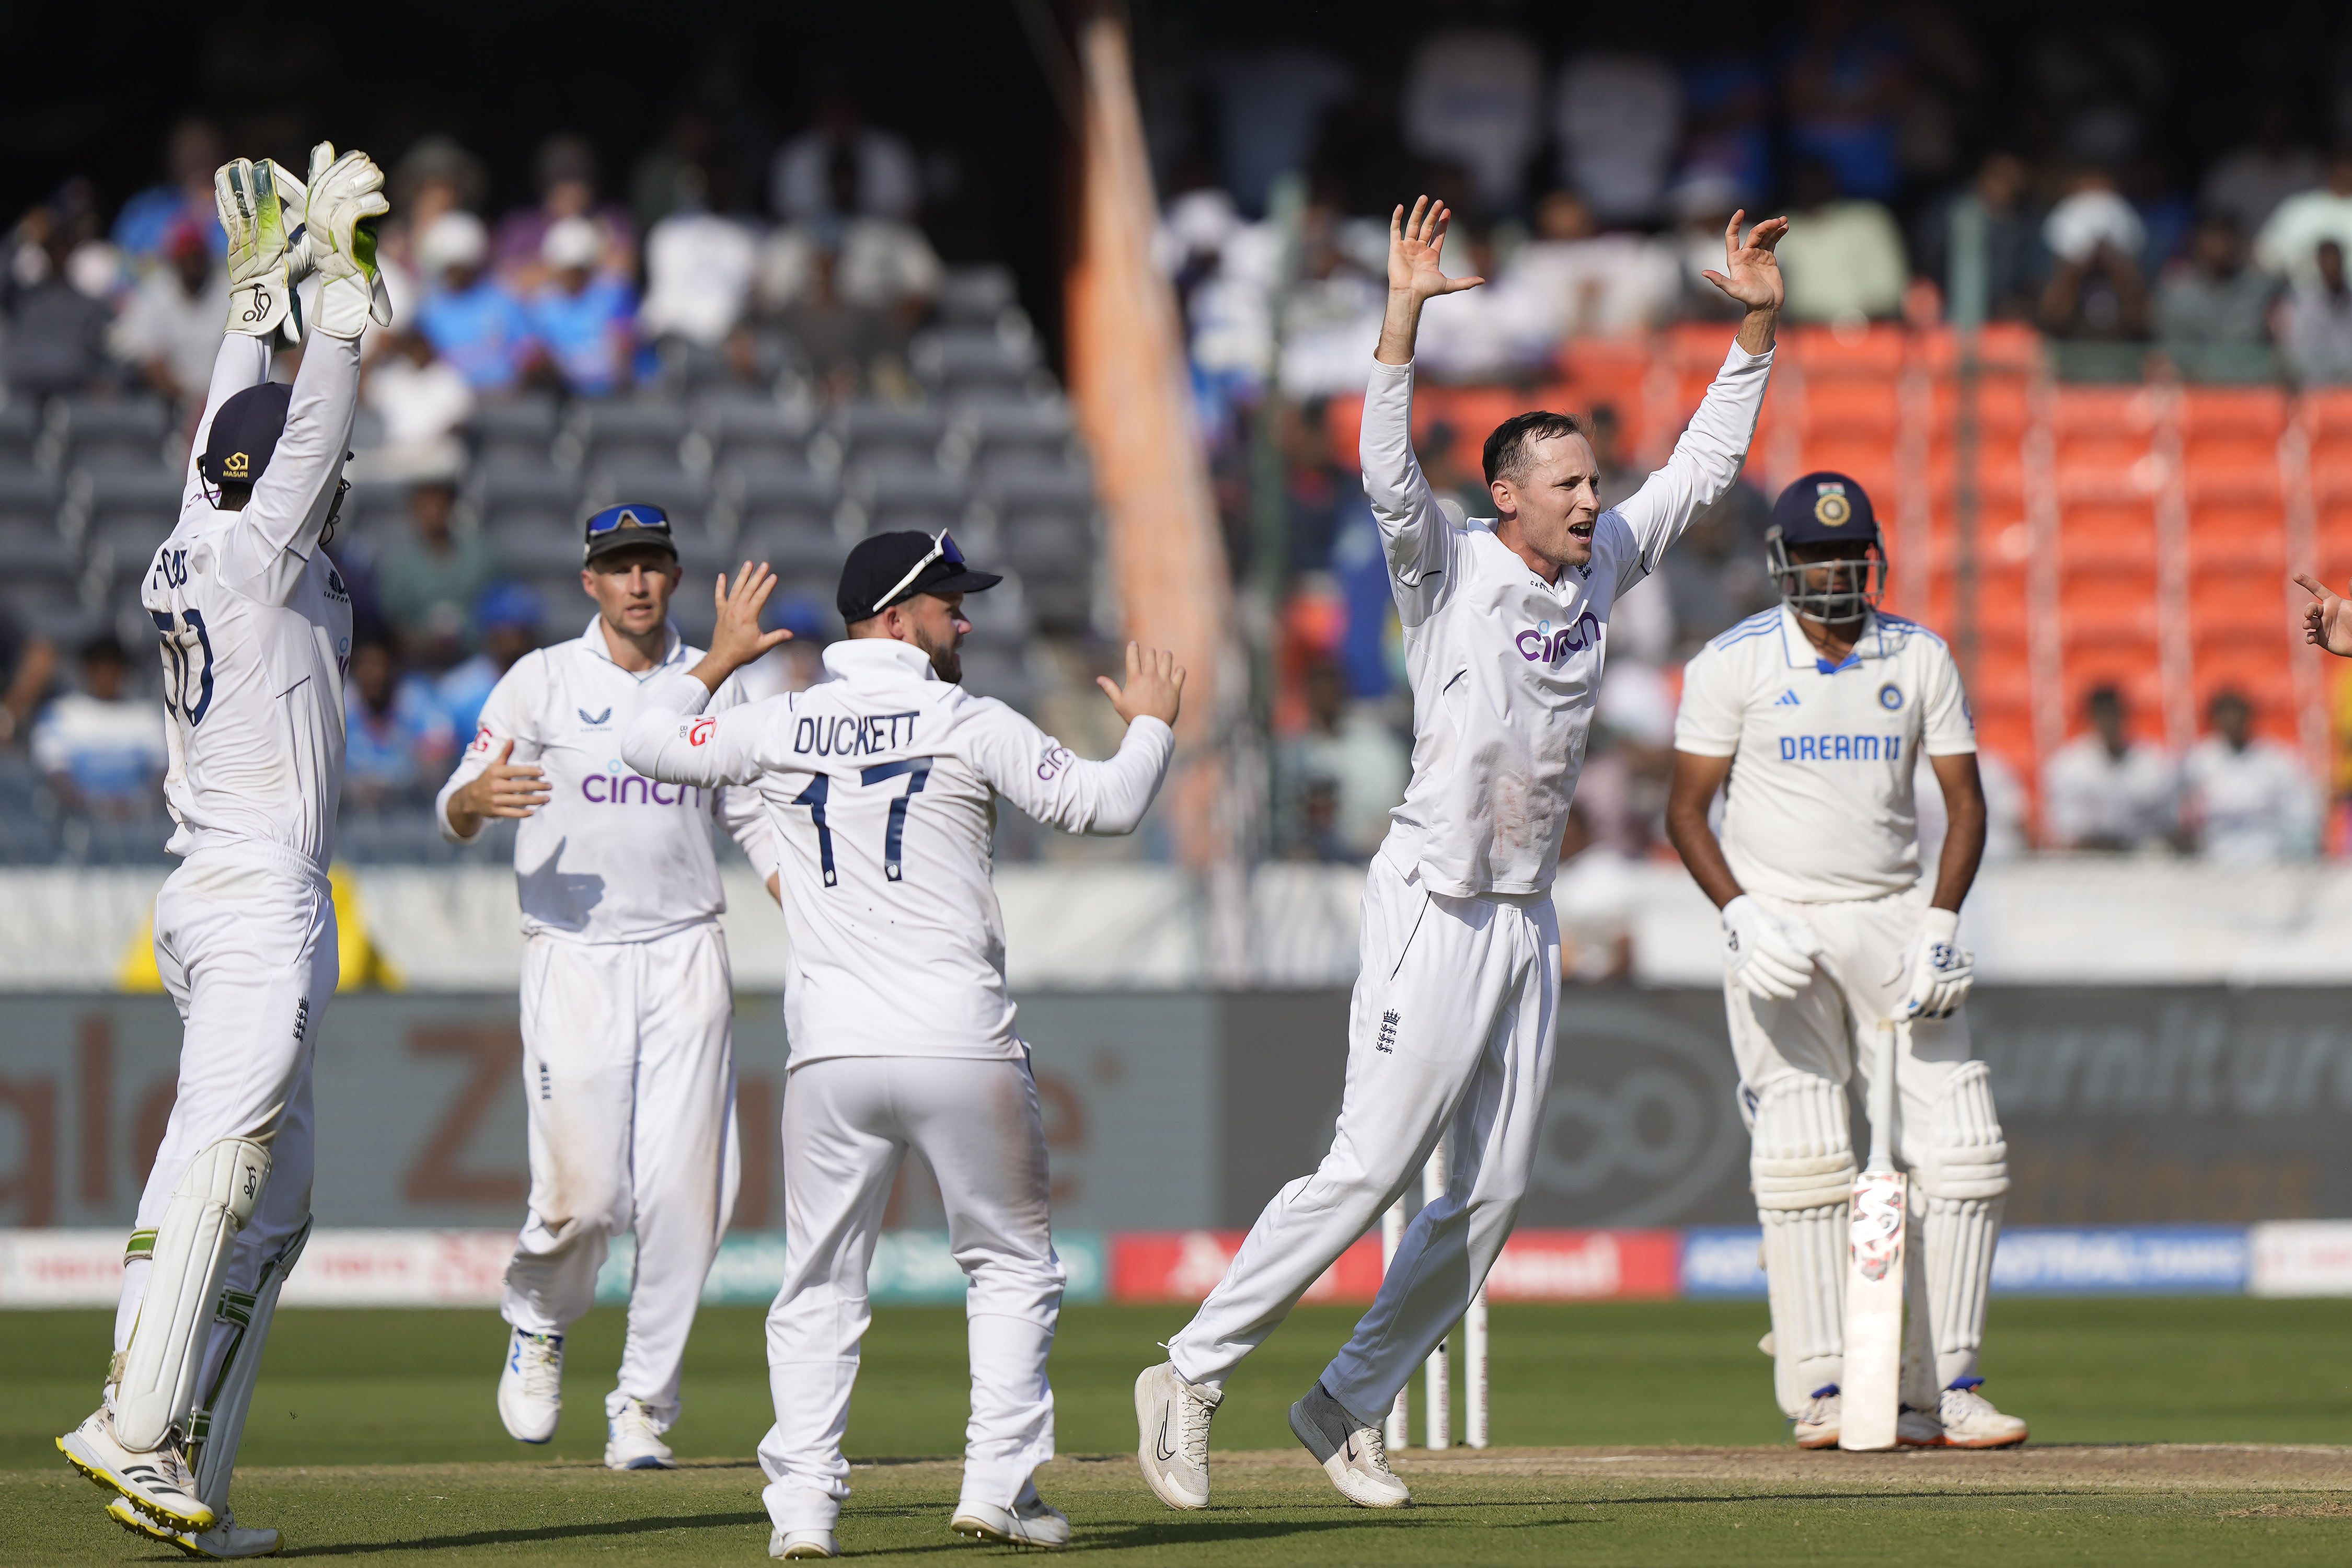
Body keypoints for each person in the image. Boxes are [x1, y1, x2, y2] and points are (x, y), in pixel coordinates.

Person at [1134, 195, 1785, 1514]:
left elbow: (1702, 472)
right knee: (1370, 1162)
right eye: (1566, 485)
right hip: (1430, 900)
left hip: (1522, 915)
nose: (1593, 499)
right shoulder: (1445, 566)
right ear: (1503, 497)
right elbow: (1384, 474)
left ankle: (1345, 1401)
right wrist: (1398, 318)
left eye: (1594, 480)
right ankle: (1188, 1372)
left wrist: (1755, 331)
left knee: (1488, 1192)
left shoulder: (1598, 561)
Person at [621, 534, 1182, 1555]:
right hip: (958, 1041)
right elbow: (1108, 804)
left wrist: (717, 661)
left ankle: (800, 1513)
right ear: (892, 618)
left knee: (819, 1282)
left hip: (831, 1055)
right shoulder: (968, 721)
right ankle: (996, 1488)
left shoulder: (781, 723)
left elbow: (649, 745)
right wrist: (1148, 728)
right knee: (1011, 1267)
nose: (963, 620)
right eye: (946, 604)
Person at [55, 141, 389, 1559]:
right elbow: (303, 427)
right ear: (279, 490)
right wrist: (344, 295)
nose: (342, 490)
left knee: (281, 1199)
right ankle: (131, 1419)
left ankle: (188, 1468)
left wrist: (256, 300)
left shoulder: (195, 537)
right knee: (225, 1154)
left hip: (217, 889)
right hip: (257, 900)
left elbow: (231, 435)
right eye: (321, 482)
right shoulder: (255, 552)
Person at [1663, 470, 2026, 1453]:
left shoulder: (1920, 655)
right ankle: (1822, 1384)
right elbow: (1685, 811)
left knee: (1963, 1144)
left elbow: (1967, 803)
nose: (1836, 574)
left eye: (1850, 555)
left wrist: (1943, 921)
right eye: (1817, 557)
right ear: (1782, 564)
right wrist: (1739, 914)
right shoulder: (1732, 663)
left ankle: (1946, 1384)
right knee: (1804, 1144)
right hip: (1781, 921)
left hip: (1893, 914)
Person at [433, 502, 776, 1471]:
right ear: (589, 581)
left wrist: (809, 907)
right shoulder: (542, 679)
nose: (636, 582)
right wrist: (472, 803)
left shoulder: (717, 683)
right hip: (573, 952)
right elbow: (454, 799)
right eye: (618, 566)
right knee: (584, 1198)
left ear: (672, 576)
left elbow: (753, 817)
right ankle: (540, 1320)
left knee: (686, 1197)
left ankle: (643, 1408)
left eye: (652, 565)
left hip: (684, 950)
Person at [31, 634, 168, 818]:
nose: (107, 675)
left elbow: (162, 777)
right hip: (78, 820)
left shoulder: (148, 717)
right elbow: (56, 778)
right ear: (87, 670)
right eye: (100, 667)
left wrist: (135, 808)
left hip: (139, 820)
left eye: (113, 667)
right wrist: (95, 808)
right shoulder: (60, 715)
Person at [2183, 690, 2319, 862]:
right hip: (2214, 861)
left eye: (2236, 713)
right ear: (2214, 719)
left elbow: (2301, 812)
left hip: (2271, 860)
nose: (2231, 720)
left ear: (2249, 717)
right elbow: (2185, 817)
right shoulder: (2198, 761)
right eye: (2225, 714)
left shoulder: (2278, 759)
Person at [2041, 685, 2180, 851]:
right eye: (2102, 714)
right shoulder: (2067, 765)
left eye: (2114, 713)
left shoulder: (2154, 761)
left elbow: (2167, 823)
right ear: (2090, 718)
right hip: (2088, 856)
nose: (2109, 722)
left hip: (2140, 852)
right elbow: (2065, 828)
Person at [375, 480, 495, 668]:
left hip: (474, 665)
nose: (433, 513)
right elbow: (392, 627)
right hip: (418, 671)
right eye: (425, 507)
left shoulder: (481, 557)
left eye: (440, 505)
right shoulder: (399, 567)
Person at [525, 217, 636, 398]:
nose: (572, 276)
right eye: (566, 269)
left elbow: (625, 345)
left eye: (579, 269)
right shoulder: (541, 302)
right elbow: (537, 353)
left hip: (616, 392)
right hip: (565, 394)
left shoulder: (614, 291)